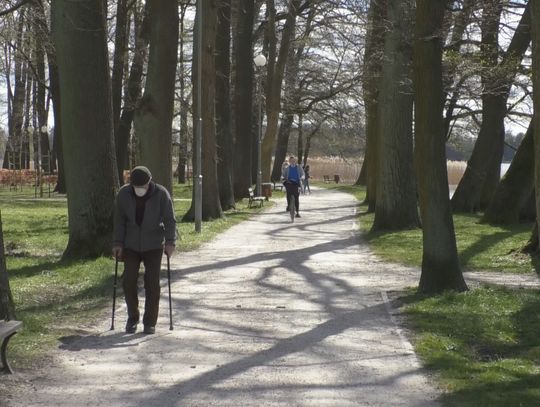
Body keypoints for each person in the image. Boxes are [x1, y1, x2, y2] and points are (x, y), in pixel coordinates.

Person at [112, 166, 177, 334]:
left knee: (152, 283)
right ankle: (132, 318)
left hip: (154, 245)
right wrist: (118, 243)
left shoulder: (161, 194)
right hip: (131, 245)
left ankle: (150, 322)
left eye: (143, 186)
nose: (139, 189)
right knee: (129, 280)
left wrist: (170, 242)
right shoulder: (124, 194)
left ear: (149, 183)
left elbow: (170, 220)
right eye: (136, 186)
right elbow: (119, 221)